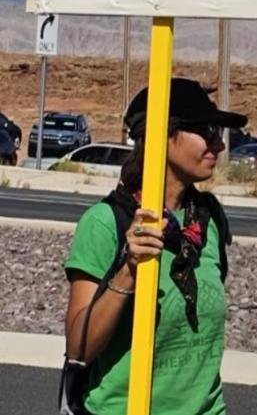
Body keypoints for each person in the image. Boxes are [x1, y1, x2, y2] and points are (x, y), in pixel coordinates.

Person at [62, 78, 246, 415]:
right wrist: (127, 273)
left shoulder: (209, 218)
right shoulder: (106, 223)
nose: (217, 144)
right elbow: (79, 347)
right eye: (205, 130)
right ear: (162, 135)